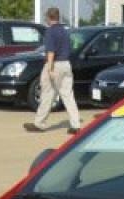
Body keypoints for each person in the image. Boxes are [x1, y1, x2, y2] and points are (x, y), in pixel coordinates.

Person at [24, 7, 81, 135]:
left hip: (55, 64)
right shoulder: (65, 31)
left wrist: (50, 68)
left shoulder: (50, 31)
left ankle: (39, 123)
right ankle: (75, 124)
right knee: (68, 95)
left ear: (49, 18)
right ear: (58, 17)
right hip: (66, 64)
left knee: (47, 94)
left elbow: (51, 51)